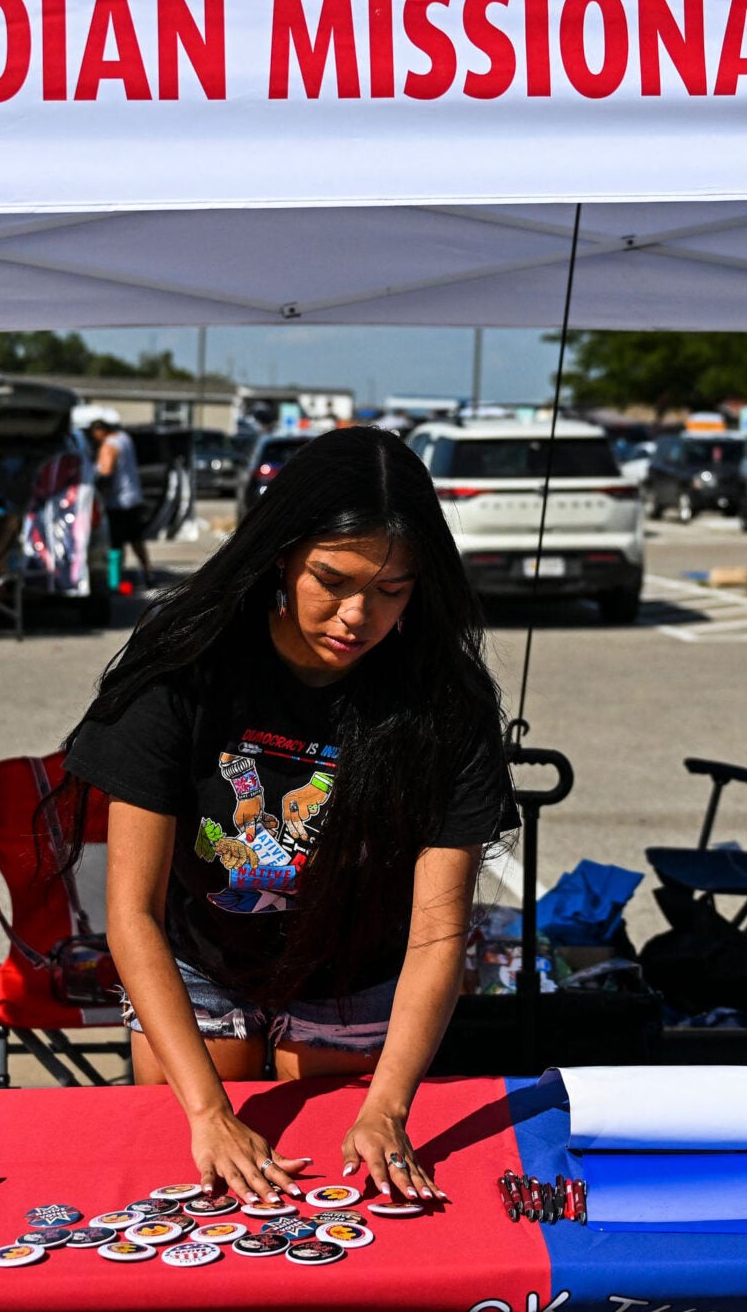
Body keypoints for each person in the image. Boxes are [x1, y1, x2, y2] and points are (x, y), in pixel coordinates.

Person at [60, 427, 512, 1207]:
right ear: (282, 554)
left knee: (346, 1182)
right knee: (204, 1181)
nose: (357, 615)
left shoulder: (445, 701)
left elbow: (439, 932)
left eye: (393, 589)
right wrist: (209, 1113)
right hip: (201, 964)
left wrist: (388, 1108)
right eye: (331, 579)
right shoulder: (189, 662)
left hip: (355, 970)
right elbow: (132, 912)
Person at [88, 418, 151, 586]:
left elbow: (105, 471)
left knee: (115, 543)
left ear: (100, 430)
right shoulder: (125, 438)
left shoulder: (109, 445)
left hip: (117, 501)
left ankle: (114, 580)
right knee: (136, 540)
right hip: (133, 498)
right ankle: (147, 572)